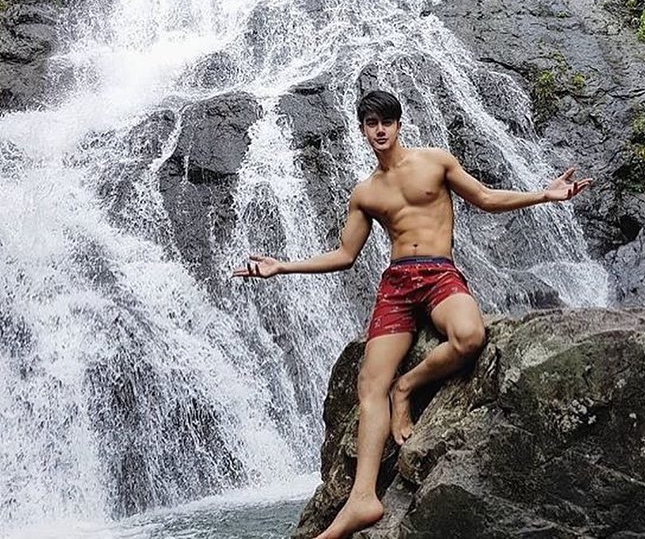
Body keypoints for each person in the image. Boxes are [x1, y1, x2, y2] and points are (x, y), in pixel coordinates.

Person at [233, 89, 591, 539]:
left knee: (469, 336)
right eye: (371, 123)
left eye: (386, 121)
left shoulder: (435, 161)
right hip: (397, 285)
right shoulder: (365, 192)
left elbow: (484, 198)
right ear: (362, 131)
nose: (380, 130)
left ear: (399, 125)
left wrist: (544, 194)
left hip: (439, 274)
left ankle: (407, 387)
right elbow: (345, 255)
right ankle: (363, 498)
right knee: (370, 385)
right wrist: (282, 266)